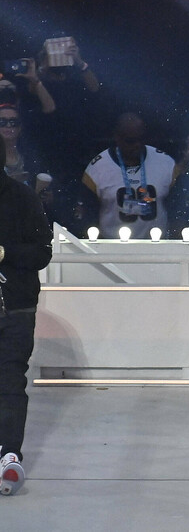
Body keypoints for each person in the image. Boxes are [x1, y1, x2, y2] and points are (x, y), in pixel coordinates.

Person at [0, 134, 53, 496]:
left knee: (10, 380)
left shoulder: (22, 198)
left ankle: (9, 455)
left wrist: (4, 253)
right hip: (17, 306)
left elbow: (41, 253)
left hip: (14, 306)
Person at [82, 112, 178, 239]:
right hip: (111, 249)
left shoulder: (166, 163)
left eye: (141, 139)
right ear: (117, 137)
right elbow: (87, 215)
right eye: (130, 141)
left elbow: (178, 209)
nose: (137, 145)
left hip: (157, 248)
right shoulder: (98, 168)